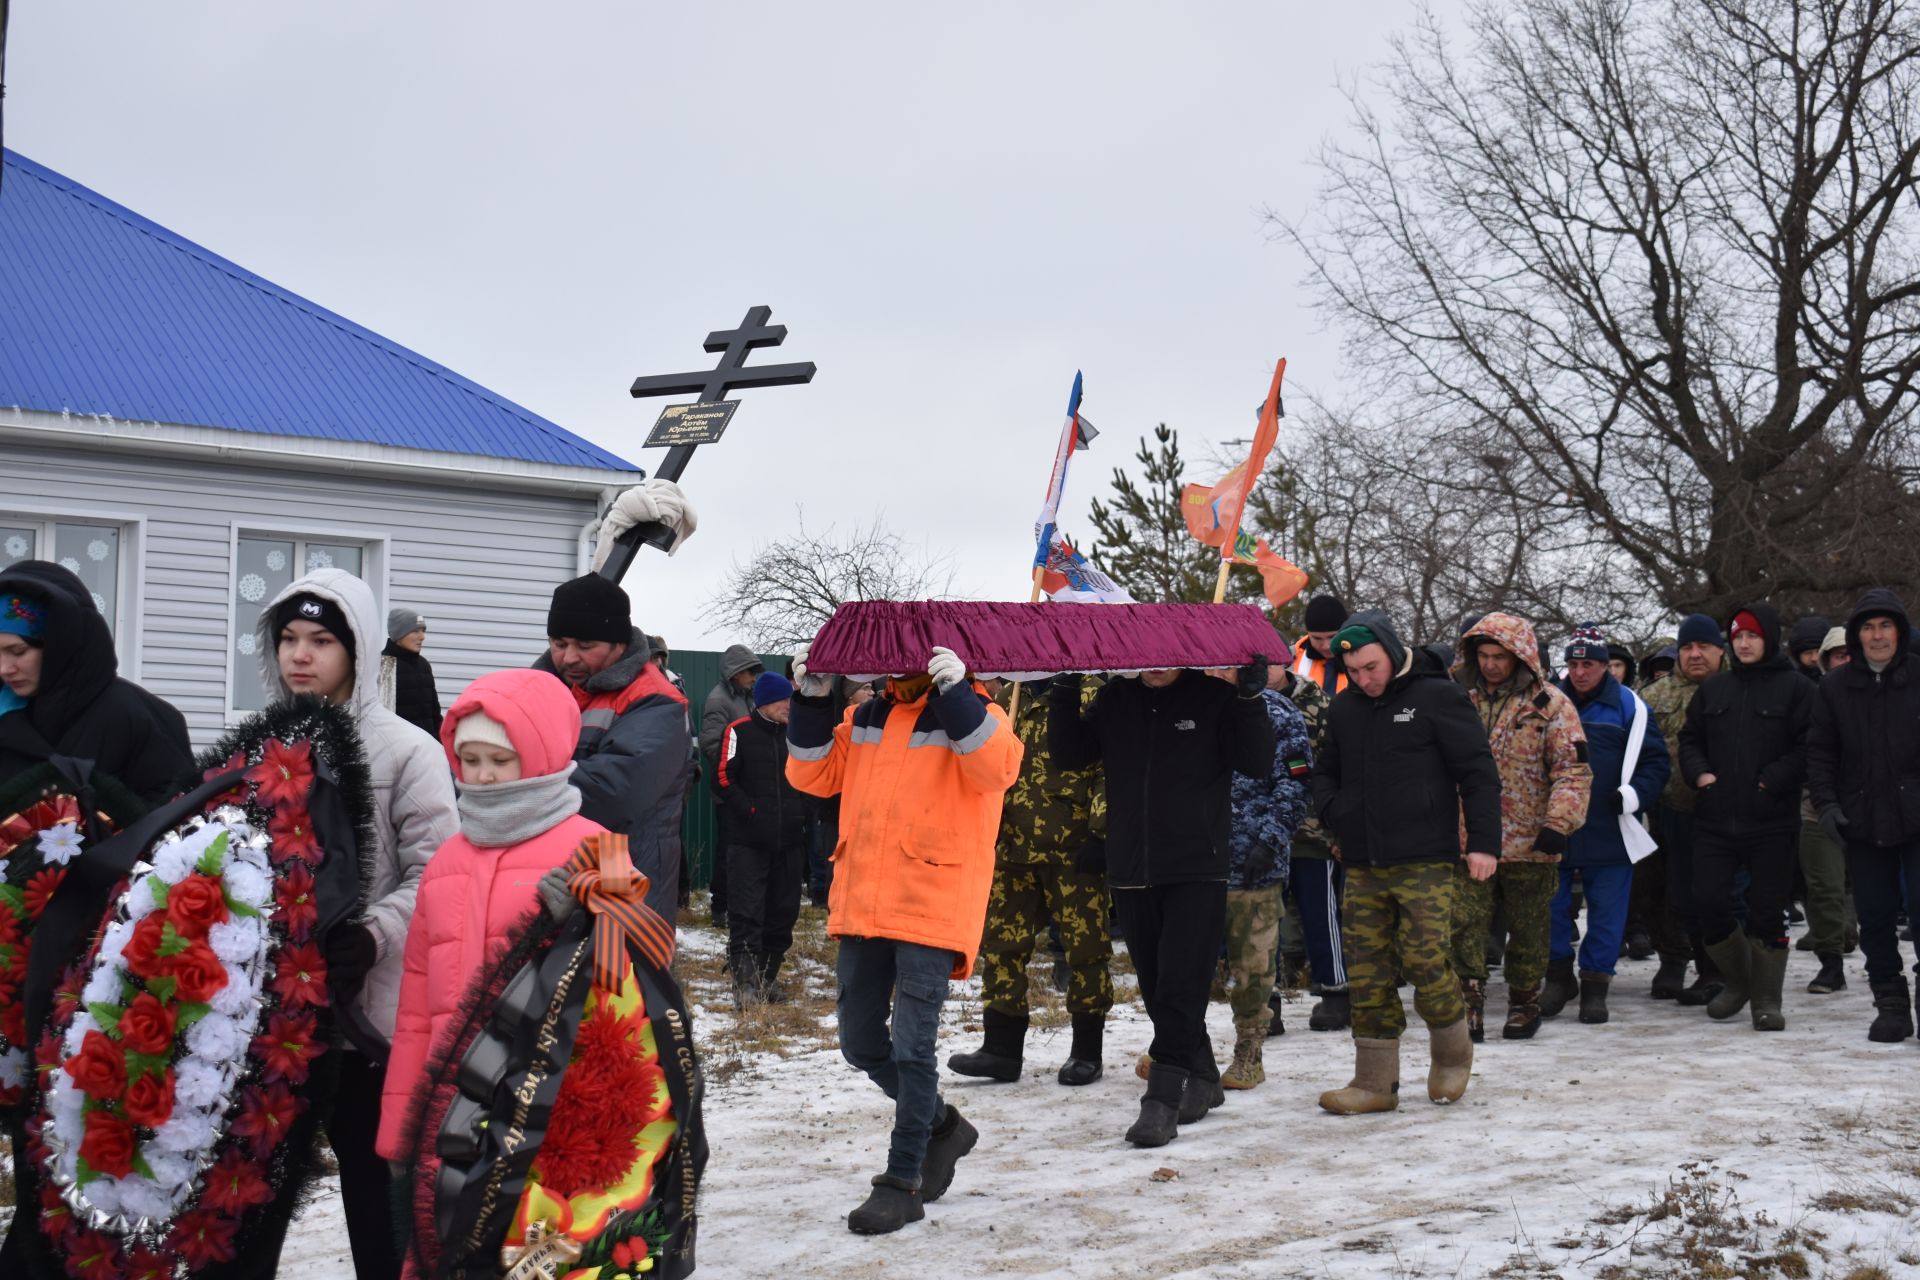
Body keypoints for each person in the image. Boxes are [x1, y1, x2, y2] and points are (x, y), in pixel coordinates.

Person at [257, 569, 460, 1280]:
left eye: (320, 640)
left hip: (369, 1023)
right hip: (276, 1025)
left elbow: (437, 872)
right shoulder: (262, 748)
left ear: (361, 647)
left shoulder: (409, 750)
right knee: (251, 1202)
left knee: (379, 1209)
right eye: (287, 639)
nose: (299, 656)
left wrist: (372, 933)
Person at [787, 642, 1022, 1233]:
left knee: (914, 1049)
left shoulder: (980, 714)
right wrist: (812, 699)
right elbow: (810, 773)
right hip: (865, 903)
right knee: (862, 1044)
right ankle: (943, 1125)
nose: (898, 667)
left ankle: (903, 1179)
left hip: (932, 904)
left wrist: (959, 694)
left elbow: (997, 770)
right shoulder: (865, 715)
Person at [376, 669, 601, 1254]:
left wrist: (585, 922)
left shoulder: (592, 848)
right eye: (468, 758)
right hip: (453, 1115)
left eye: (499, 759)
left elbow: (638, 981)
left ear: (541, 752)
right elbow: (415, 1009)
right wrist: (403, 1132)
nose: (480, 775)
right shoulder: (447, 860)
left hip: (551, 1112)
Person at [1049, 656, 1276, 1146]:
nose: (1153, 667)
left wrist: (1250, 698)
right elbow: (1069, 754)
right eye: (1144, 658)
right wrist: (1066, 687)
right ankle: (1205, 1076)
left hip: (1197, 866)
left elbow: (1257, 760)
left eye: (1165, 659)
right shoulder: (1117, 699)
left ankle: (1161, 1099)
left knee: (1180, 982)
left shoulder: (1212, 699)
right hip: (1131, 867)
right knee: (1156, 988)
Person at [1311, 611, 1501, 1116]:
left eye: (1372, 667)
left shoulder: (1437, 695)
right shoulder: (1347, 708)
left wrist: (1484, 842)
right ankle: (1374, 1081)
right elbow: (1326, 772)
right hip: (1362, 860)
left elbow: (1478, 772)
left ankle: (1453, 1051)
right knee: (1367, 971)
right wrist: (1336, 812)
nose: (1365, 680)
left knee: (1423, 959)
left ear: (1393, 653)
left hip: (1425, 859)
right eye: (1355, 671)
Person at [948, 675, 1114, 1087]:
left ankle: (1086, 1052)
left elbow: (1109, 765)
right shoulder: (1009, 697)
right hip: (1011, 847)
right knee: (1002, 945)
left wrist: (1100, 831)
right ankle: (1001, 1049)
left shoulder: (1091, 692)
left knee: (1086, 951)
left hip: (1072, 849)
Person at [1449, 614, 1591, 1042]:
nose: (1491, 665)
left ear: (1521, 657)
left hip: (1531, 839)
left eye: (1500, 657)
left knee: (1529, 927)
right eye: (1484, 656)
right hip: (1469, 837)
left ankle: (1524, 1002)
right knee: (1464, 923)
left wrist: (1558, 823)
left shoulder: (1550, 704)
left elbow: (1573, 770)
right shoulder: (1458, 700)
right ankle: (1468, 1004)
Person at [1679, 603, 1812, 1031]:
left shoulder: (1797, 689)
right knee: (1709, 901)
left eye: (1752, 635)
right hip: (1716, 819)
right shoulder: (1715, 690)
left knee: (1767, 910)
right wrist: (1700, 775)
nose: (1744, 643)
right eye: (1737, 636)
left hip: (1772, 821)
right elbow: (1689, 739)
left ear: (1769, 639)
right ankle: (1738, 983)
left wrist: (1771, 781)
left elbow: (1809, 746)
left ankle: (1766, 999)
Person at [534, 574, 689, 921]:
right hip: (554, 874)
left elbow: (613, 791)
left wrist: (516, 785)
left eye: (585, 646)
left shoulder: (657, 702)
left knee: (619, 973)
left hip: (627, 880)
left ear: (619, 644)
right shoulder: (546, 689)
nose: (569, 657)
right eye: (559, 643)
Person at [1807, 589, 1920, 1043]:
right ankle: (1889, 1001)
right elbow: (1820, 753)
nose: (1877, 636)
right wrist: (1829, 806)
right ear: (1856, 636)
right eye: (1869, 628)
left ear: (1900, 631)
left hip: (1916, 816)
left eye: (1885, 626)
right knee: (1873, 916)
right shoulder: (1834, 687)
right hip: (1861, 819)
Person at [1549, 626, 1671, 1025]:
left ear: (1605, 665)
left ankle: (1595, 985)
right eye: (1573, 664)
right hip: (1557, 825)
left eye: (1589, 664)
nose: (1580, 672)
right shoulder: (1548, 701)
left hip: (1610, 825)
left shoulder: (1630, 707)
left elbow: (1656, 763)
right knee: (1550, 908)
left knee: (1607, 910)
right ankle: (1558, 977)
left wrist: (1632, 795)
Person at [0, 561, 192, 804]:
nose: (4, 669)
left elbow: (176, 820)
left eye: (17, 651)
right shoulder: (5, 712)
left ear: (60, 646)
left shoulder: (136, 716)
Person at [1220, 666, 1312, 1088]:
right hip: (1196, 863)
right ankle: (1181, 1046)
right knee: (1182, 965)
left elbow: (1295, 786)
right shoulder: (1193, 711)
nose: (1214, 673)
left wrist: (1270, 841)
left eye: (1223, 666)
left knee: (1253, 969)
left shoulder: (1280, 714)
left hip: (1254, 865)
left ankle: (1249, 1052)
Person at [1638, 615, 1727, 1003]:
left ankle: (1718, 969)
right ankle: (1672, 960)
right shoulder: (1653, 696)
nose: (1695, 655)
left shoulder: (1734, 689)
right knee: (1663, 893)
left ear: (1719, 650)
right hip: (1663, 809)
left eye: (1703, 647)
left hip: (1723, 813)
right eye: (1688, 647)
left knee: (1714, 895)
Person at [716, 671, 808, 1004]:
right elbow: (723, 778)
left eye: (791, 699)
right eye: (783, 699)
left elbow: (812, 777)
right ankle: (745, 983)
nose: (789, 705)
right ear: (766, 702)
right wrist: (751, 812)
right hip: (748, 842)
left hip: (790, 842)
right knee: (746, 910)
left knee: (783, 912)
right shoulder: (738, 731)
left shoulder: (797, 736)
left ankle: (768, 978)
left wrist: (801, 814)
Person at [1277, 665, 1349, 1031]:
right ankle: (1265, 1001)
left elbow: (1335, 767)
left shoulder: (1318, 704)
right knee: (1264, 922)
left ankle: (1336, 991)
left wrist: (1334, 826)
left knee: (1321, 915)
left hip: (1312, 831)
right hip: (1263, 833)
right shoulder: (1242, 701)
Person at [700, 644, 764, 926]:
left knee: (743, 850)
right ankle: (719, 908)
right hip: (730, 791)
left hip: (746, 788)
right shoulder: (719, 700)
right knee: (728, 849)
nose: (753, 677)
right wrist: (737, 773)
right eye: (749, 671)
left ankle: (736, 905)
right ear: (736, 673)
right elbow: (712, 744)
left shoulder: (746, 698)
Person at [381, 607, 444, 738]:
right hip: (399, 752)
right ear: (398, 634)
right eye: (415, 631)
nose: (422, 637)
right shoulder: (384, 666)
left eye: (423, 631)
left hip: (428, 750)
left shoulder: (424, 666)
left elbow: (435, 715)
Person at [1291, 593, 1350, 696]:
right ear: (1308, 634)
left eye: (1332, 637)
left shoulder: (1367, 657)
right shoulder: (1289, 661)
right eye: (1317, 638)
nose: (1326, 646)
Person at [1790, 615, 1831, 681]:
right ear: (1798, 656)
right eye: (1808, 653)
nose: (1814, 658)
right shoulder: (1790, 683)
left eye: (1819, 651)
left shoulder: (1842, 680)